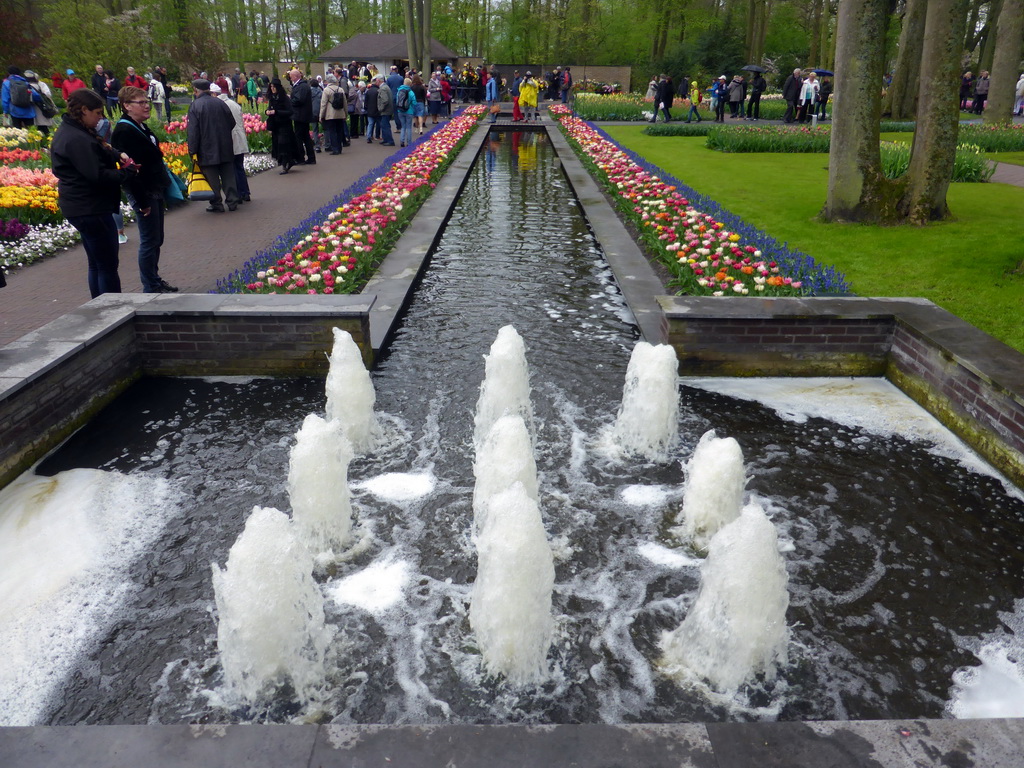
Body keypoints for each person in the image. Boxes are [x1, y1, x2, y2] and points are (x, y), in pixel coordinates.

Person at [50, 88, 138, 297]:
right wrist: (127, 173)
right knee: (107, 264)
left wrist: (118, 154)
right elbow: (97, 175)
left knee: (97, 263)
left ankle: (99, 306)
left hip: (81, 206)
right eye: (97, 113)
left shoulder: (74, 130)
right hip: (90, 208)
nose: (101, 118)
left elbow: (101, 148)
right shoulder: (76, 138)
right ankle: (112, 312)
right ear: (83, 110)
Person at [111, 85, 178, 293]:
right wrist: (141, 201)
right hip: (144, 191)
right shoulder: (124, 131)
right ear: (127, 106)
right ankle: (150, 285)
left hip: (153, 187)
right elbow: (130, 170)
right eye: (141, 103)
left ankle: (154, 279)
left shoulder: (140, 126)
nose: (146, 106)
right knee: (150, 239)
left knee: (157, 238)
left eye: (147, 102)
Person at [186, 78, 239, 210]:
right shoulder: (220, 103)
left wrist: (192, 150)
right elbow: (232, 122)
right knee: (228, 175)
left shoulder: (195, 105)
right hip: (225, 145)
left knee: (212, 177)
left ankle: (216, 203)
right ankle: (232, 201)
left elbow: (193, 131)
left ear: (196, 90)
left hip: (206, 148)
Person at [212, 83, 251, 202]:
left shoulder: (219, 105)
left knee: (232, 168)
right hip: (239, 137)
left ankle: (238, 193)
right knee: (239, 166)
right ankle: (245, 192)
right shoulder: (234, 104)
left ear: (214, 94)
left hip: (230, 139)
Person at [265, 78, 298, 173]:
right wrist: (267, 112)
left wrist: (276, 112)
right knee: (278, 144)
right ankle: (287, 162)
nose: (272, 89)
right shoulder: (272, 98)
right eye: (271, 87)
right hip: (275, 125)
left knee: (283, 143)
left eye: (274, 87)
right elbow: (269, 109)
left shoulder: (285, 98)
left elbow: (290, 111)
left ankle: (285, 164)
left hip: (284, 125)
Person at [288, 69, 316, 164]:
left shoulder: (302, 86)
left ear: (296, 76)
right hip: (302, 115)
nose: (290, 78)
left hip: (300, 115)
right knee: (305, 137)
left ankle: (301, 158)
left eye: (291, 76)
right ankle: (310, 158)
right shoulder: (302, 86)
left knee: (299, 137)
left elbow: (299, 100)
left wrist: (289, 100)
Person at [319, 74, 347, 154]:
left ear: (328, 81)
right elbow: (345, 103)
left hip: (330, 114)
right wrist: (345, 113)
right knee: (339, 131)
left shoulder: (326, 90)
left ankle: (335, 149)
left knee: (332, 131)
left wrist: (321, 115)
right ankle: (339, 148)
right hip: (340, 113)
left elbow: (323, 104)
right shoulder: (340, 89)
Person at [23, 71, 55, 137]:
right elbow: (48, 94)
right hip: (40, 108)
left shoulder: (28, 85)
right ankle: (46, 140)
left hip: (38, 108)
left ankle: (45, 140)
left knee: (41, 126)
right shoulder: (40, 84)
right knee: (42, 126)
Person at [374, 73, 396, 146]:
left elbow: (385, 100)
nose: (375, 82)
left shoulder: (383, 88)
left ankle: (389, 140)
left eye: (376, 80)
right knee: (384, 125)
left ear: (379, 80)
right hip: (388, 110)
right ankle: (386, 139)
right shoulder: (386, 87)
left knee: (385, 125)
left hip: (385, 111)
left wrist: (380, 108)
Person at [396, 77, 416, 146]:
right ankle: (409, 142)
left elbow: (397, 101)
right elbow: (414, 102)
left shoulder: (399, 91)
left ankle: (402, 141)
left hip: (400, 111)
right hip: (409, 111)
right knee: (409, 127)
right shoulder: (411, 92)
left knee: (403, 127)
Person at [309, 75, 324, 153]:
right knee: (326, 128)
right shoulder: (321, 91)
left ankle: (317, 146)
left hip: (312, 112)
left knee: (315, 130)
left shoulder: (309, 92)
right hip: (321, 112)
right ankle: (328, 144)